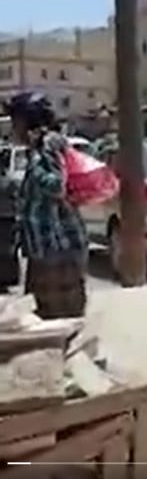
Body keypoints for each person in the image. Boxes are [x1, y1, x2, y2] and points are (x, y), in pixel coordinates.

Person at [7, 93, 89, 318]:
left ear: (28, 120)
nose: (13, 128)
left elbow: (57, 186)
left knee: (61, 315)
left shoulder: (47, 144)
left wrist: (36, 167)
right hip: (46, 248)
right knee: (47, 312)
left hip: (58, 247)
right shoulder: (39, 147)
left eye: (16, 121)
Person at [0, 148, 19, 292]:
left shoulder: (9, 181)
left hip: (7, 218)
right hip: (8, 218)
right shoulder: (9, 181)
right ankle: (6, 280)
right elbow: (17, 198)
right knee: (8, 250)